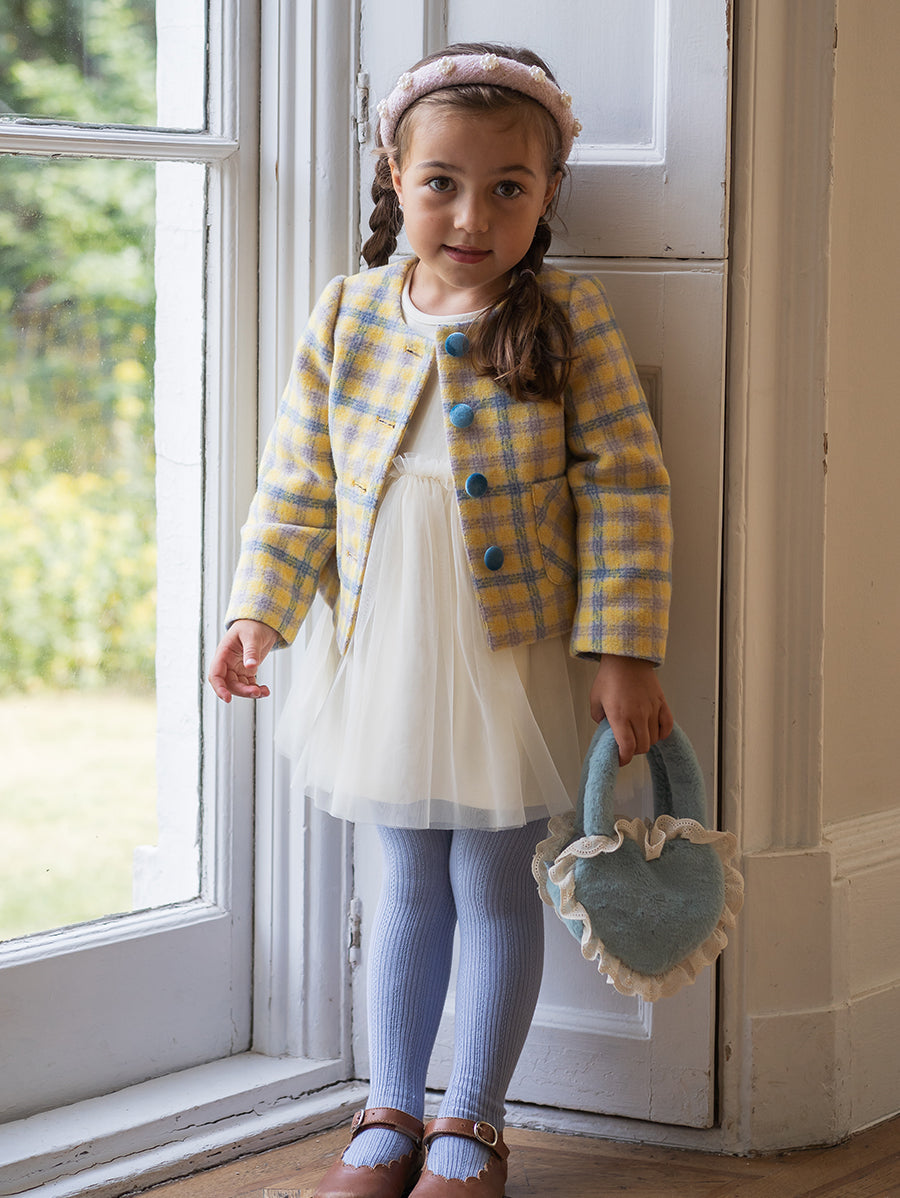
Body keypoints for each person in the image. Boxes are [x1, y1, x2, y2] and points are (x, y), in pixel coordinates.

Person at [209, 42, 674, 1198]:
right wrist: (261, 609)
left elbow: (626, 484)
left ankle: (473, 1120)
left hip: (505, 653)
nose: (472, 216)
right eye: (442, 184)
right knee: (404, 881)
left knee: (495, 881)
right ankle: (389, 1109)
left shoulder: (566, 318)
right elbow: (298, 481)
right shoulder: (349, 312)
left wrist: (625, 650)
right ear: (396, 178)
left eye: (507, 187)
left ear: (549, 189)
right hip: (382, 654)